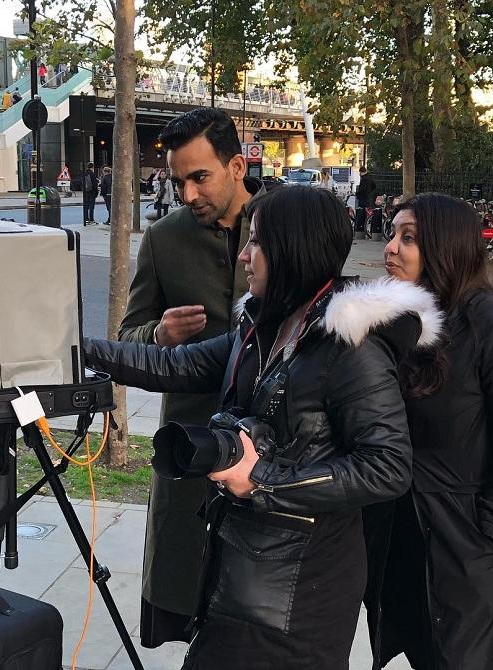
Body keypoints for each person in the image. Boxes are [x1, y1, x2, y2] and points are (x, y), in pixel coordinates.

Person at [87, 185, 442, 669]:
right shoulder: (261, 326)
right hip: (239, 568)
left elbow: (387, 467)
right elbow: (172, 366)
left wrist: (262, 480)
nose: (245, 258)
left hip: (300, 595)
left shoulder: (349, 346)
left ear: (293, 250)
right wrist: (71, 351)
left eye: (257, 244)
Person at [118, 107, 266, 648]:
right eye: (179, 180)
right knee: (186, 596)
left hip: (272, 451)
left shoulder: (285, 221)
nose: (186, 193)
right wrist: (158, 336)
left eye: (199, 177)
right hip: (190, 443)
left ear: (235, 166)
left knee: (260, 615)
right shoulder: (163, 239)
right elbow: (127, 337)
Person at [365, 193, 493, 670]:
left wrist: (485, 528)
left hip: (465, 547)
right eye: (392, 234)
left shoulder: (482, 318)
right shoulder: (405, 321)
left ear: (446, 246)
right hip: (405, 538)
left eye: (409, 237)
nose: (391, 247)